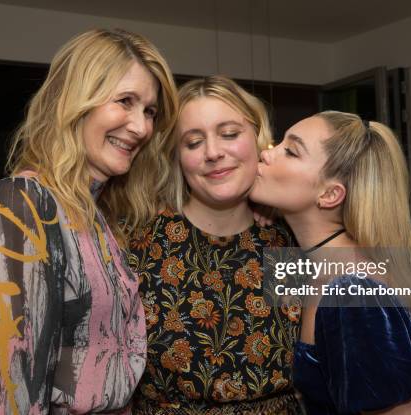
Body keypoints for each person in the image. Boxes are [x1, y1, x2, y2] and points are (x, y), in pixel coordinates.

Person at [0, 29, 177, 414]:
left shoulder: (98, 217)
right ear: (75, 102)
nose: (141, 127)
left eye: (149, 111)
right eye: (125, 101)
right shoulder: (19, 204)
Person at [250, 111, 411, 414]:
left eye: (291, 151)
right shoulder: (311, 263)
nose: (266, 153)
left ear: (329, 194)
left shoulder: (354, 293)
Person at [126, 76, 302, 414]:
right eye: (193, 142)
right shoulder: (139, 244)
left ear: (257, 137)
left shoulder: (289, 238)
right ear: (176, 157)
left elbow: (409, 286)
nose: (213, 152)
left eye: (229, 134)